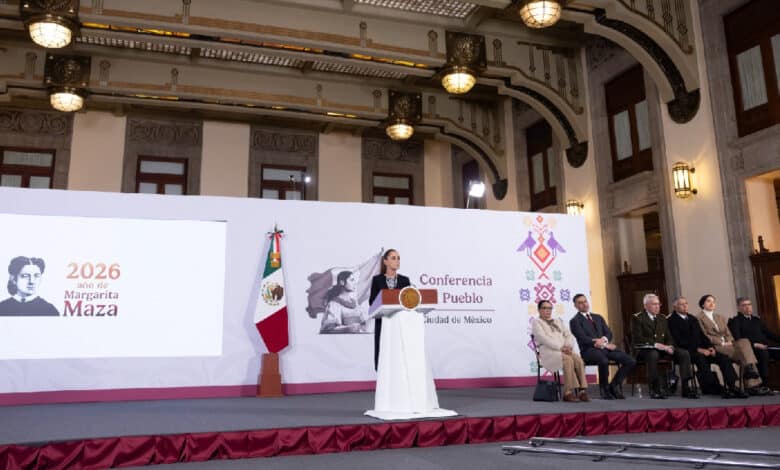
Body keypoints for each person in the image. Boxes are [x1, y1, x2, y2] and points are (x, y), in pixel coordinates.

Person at [668, 296, 746, 398]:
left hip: (702, 349)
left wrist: (710, 347)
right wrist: (698, 349)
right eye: (681, 304)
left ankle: (732, 386)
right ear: (675, 306)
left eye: (686, 303)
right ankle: (716, 387)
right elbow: (678, 340)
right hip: (687, 350)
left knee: (722, 358)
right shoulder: (671, 320)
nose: (685, 306)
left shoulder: (692, 319)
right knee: (701, 358)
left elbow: (702, 336)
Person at [569, 294, 635, 400]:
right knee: (603, 360)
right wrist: (600, 343)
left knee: (630, 360)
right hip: (589, 351)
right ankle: (604, 390)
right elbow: (582, 338)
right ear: (575, 306)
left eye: (585, 301)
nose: (584, 304)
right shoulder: (575, 321)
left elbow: (608, 332)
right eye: (580, 303)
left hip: (605, 348)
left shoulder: (598, 317)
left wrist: (604, 340)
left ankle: (613, 386)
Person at [693, 294, 763, 393]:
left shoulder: (720, 317)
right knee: (745, 355)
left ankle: (749, 371)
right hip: (716, 346)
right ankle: (753, 385)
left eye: (713, 301)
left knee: (744, 342)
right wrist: (721, 343)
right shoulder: (698, 318)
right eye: (708, 301)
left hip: (728, 344)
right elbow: (704, 335)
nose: (712, 303)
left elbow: (728, 332)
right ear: (702, 304)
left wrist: (729, 341)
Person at [631, 293, 696, 399]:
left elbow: (669, 336)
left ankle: (686, 388)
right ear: (646, 305)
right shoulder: (637, 318)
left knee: (684, 353)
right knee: (653, 354)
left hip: (663, 349)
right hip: (644, 350)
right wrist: (656, 344)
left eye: (658, 304)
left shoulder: (662, 318)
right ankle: (655, 388)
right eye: (654, 304)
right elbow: (638, 339)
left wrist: (670, 346)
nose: (657, 306)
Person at [532, 300, 589, 402]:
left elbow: (568, 335)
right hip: (549, 353)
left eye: (549, 308)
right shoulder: (536, 323)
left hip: (564, 350)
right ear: (539, 310)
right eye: (544, 308)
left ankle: (582, 390)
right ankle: (567, 392)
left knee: (578, 359)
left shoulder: (558, 321)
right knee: (568, 360)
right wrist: (560, 348)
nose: (547, 311)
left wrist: (568, 346)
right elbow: (543, 339)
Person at [369, 249, 410, 370]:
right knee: (384, 355)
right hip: (383, 324)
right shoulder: (377, 280)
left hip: (399, 325)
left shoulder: (405, 280)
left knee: (399, 357)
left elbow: (408, 302)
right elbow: (372, 302)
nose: (397, 261)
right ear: (385, 261)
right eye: (393, 258)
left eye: (398, 258)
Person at [728, 297, 780, 394]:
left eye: (749, 305)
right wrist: (755, 344)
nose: (748, 307)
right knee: (763, 354)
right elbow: (738, 339)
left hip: (764, 346)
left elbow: (769, 334)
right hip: (750, 349)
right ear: (739, 308)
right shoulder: (735, 321)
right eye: (744, 305)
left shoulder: (756, 320)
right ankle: (764, 385)